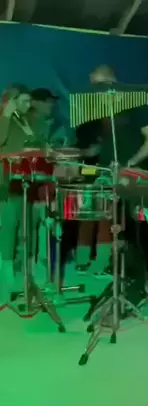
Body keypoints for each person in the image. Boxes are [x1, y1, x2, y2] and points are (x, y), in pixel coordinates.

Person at [75, 65, 148, 276]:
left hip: (127, 172)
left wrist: (131, 162)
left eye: (98, 86)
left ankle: (106, 262)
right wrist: (89, 152)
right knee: (92, 209)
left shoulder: (134, 106)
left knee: (114, 215)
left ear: (111, 84)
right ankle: (85, 259)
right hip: (105, 168)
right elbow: (106, 142)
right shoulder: (101, 111)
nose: (94, 92)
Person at [0, 84, 39, 310]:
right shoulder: (4, 118)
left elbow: (34, 144)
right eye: (24, 101)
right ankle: (6, 280)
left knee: (26, 227)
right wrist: (6, 115)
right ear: (11, 101)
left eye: (29, 101)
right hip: (5, 182)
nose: (29, 105)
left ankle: (24, 275)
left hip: (24, 180)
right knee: (8, 228)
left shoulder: (24, 120)